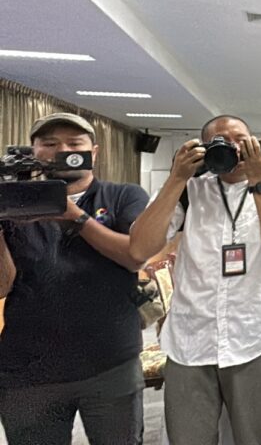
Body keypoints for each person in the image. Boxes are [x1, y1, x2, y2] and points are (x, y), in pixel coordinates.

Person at [130, 115, 261, 445]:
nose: (233, 147)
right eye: (222, 141)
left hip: (253, 337)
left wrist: (258, 181)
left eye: (240, 139)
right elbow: (141, 248)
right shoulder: (188, 191)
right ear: (205, 149)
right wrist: (176, 178)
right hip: (191, 340)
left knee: (254, 439)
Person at [0, 113, 151, 445]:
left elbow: (134, 256)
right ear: (33, 151)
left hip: (111, 362)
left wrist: (73, 216)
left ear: (93, 152)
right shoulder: (13, 203)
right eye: (50, 143)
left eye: (74, 143)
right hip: (29, 371)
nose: (62, 150)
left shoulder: (123, 196)